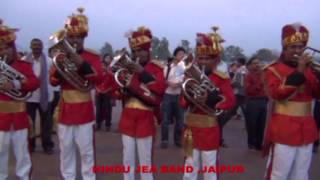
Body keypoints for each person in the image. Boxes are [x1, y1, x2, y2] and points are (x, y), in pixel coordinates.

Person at [49, 8, 103, 180]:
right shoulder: (61, 56)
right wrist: (60, 67)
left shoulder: (92, 56)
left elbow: (99, 77)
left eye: (78, 37)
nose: (74, 40)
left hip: (85, 111)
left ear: (84, 37)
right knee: (66, 151)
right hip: (65, 110)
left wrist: (81, 63)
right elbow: (53, 81)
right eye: (71, 37)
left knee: (87, 152)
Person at [263, 23, 320, 180]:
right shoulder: (272, 69)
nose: (297, 51)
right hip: (284, 130)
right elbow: (277, 94)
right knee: (279, 174)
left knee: (301, 174)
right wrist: (299, 72)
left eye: (301, 47)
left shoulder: (310, 69)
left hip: (307, 129)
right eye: (293, 47)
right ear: (284, 48)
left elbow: (317, 93)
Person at [109, 26, 166, 180]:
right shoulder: (127, 67)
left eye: (140, 50)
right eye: (134, 51)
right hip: (128, 116)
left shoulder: (156, 68)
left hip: (146, 118)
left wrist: (141, 73)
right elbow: (116, 92)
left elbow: (160, 89)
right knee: (127, 160)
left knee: (145, 161)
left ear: (147, 50)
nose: (136, 54)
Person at [181, 27, 235, 180]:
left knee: (209, 172)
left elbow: (230, 100)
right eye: (200, 58)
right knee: (189, 171)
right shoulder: (189, 77)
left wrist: (209, 99)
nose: (203, 62)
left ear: (215, 60)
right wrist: (190, 95)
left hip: (210, 129)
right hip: (191, 130)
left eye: (208, 58)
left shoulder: (221, 78)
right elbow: (182, 102)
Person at [0, 20, 40, 180]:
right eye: (1, 48)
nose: (4, 51)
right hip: (1, 117)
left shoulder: (23, 65)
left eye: (7, 48)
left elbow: (35, 82)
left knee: (22, 152)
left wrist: (15, 83)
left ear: (13, 48)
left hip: (19, 117)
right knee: (0, 151)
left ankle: (23, 177)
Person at [24, 38, 54, 154]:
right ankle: (31, 145)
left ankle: (47, 146)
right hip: (29, 97)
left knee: (46, 123)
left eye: (39, 45)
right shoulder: (24, 60)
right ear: (30, 47)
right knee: (29, 123)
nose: (36, 47)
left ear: (42, 47)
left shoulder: (49, 61)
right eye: (34, 45)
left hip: (45, 97)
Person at [161, 46, 186, 148]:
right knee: (165, 119)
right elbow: (163, 79)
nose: (182, 56)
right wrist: (169, 83)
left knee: (180, 120)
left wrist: (179, 84)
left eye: (183, 54)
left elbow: (185, 79)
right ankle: (164, 140)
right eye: (180, 54)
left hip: (179, 95)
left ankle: (177, 140)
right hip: (168, 94)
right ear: (175, 55)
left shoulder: (184, 68)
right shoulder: (168, 67)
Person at [244, 57, 268, 151]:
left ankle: (259, 143)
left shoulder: (264, 74)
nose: (257, 65)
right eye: (254, 63)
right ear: (250, 65)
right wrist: (260, 83)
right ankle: (251, 143)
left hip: (263, 101)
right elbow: (249, 90)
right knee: (252, 124)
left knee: (261, 124)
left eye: (258, 63)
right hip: (253, 102)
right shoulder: (248, 76)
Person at [95, 53, 114, 131]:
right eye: (101, 65)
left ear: (106, 66)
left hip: (107, 93)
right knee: (98, 110)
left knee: (107, 110)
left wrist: (106, 90)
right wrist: (97, 89)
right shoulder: (97, 73)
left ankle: (108, 124)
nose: (102, 67)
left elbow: (113, 84)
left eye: (104, 65)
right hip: (98, 93)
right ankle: (98, 124)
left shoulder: (110, 74)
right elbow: (95, 82)